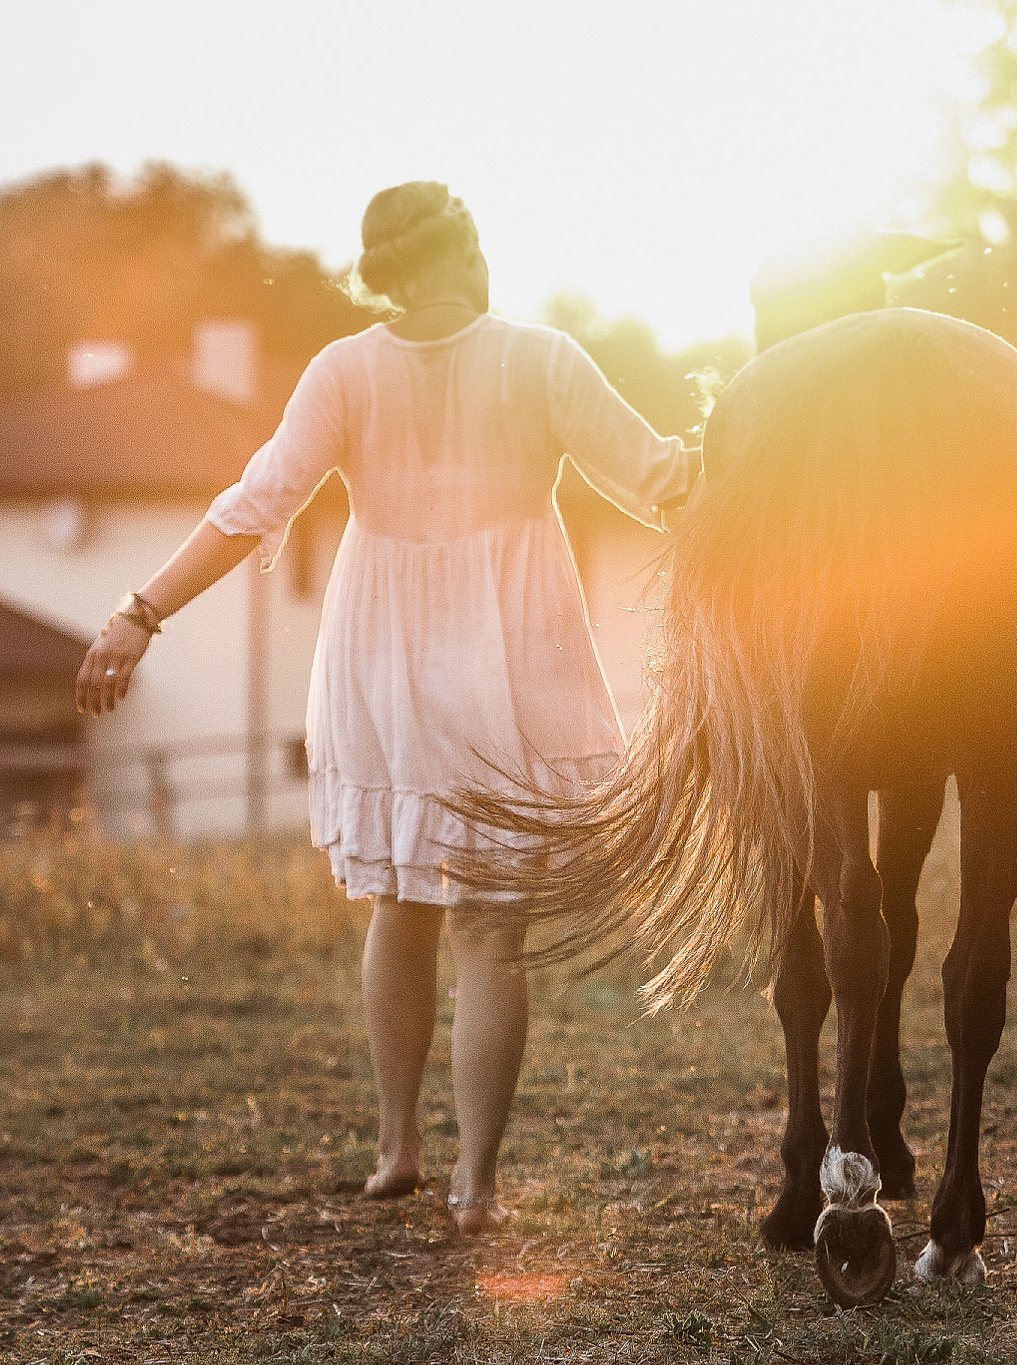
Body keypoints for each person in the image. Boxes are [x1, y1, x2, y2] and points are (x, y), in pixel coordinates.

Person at [75, 181, 694, 1234]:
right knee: (492, 930)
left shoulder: (343, 370)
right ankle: (475, 1183)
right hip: (510, 649)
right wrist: (767, 441)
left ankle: (396, 1144)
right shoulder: (543, 358)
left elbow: (254, 504)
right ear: (464, 252)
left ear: (383, 272)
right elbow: (662, 480)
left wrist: (141, 611)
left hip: (386, 655)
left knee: (399, 905)